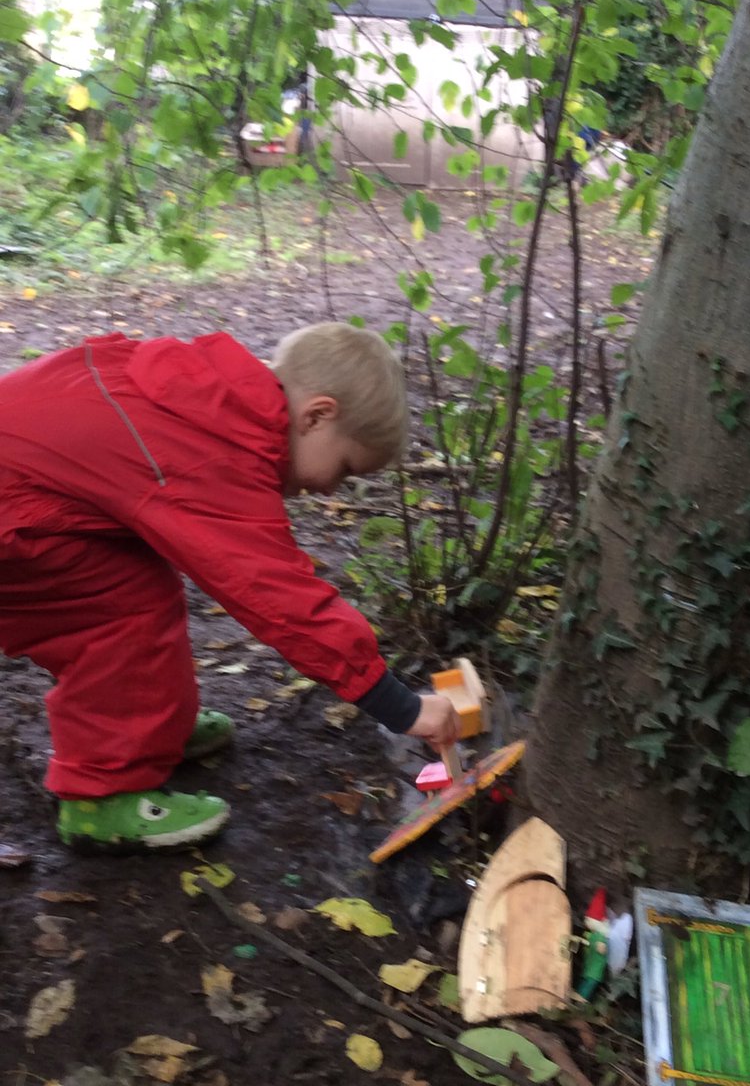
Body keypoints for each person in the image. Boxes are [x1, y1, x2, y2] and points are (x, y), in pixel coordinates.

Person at [0, 322, 460, 851]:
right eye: (346, 468)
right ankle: (100, 797)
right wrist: (402, 707)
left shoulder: (209, 395)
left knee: (138, 589)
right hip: (16, 518)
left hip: (27, 499)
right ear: (317, 415)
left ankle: (149, 728)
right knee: (122, 616)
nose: (332, 487)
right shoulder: (213, 450)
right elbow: (277, 595)